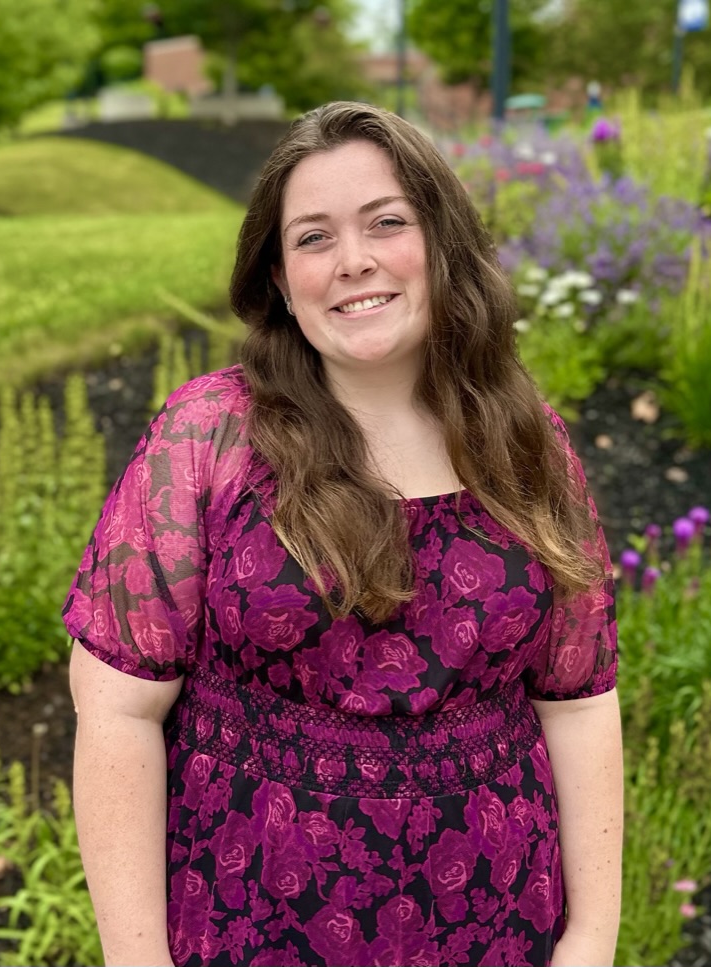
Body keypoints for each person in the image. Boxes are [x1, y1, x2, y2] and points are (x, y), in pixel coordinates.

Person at [65, 101, 623, 967]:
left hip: (500, 930)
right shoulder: (213, 433)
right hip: (246, 928)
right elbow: (117, 706)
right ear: (281, 280)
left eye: (385, 223)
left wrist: (589, 938)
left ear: (441, 242)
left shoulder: (525, 442)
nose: (353, 260)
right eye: (313, 238)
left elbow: (578, 698)